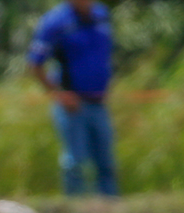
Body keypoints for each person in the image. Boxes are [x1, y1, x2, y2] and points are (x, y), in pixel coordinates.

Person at [28, 0, 119, 197]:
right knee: (76, 162)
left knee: (106, 161)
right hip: (72, 105)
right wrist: (59, 94)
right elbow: (35, 64)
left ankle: (111, 205)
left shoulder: (101, 15)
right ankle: (75, 207)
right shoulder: (55, 21)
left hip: (99, 102)